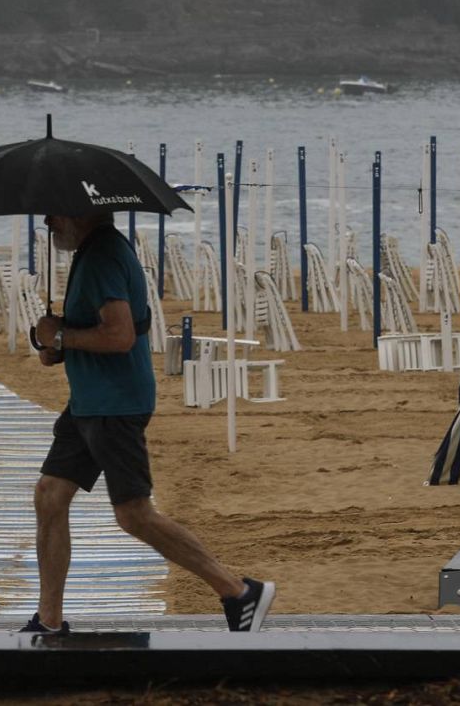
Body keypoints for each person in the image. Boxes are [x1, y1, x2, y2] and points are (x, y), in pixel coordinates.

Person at [24, 211, 275, 635]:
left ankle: (238, 591)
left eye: (56, 210)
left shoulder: (103, 255)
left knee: (134, 515)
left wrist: (63, 338)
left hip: (116, 405)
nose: (48, 220)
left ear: (80, 212)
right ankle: (48, 620)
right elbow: (99, 330)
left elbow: (120, 336)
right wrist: (58, 343)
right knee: (50, 496)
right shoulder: (92, 253)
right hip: (88, 402)